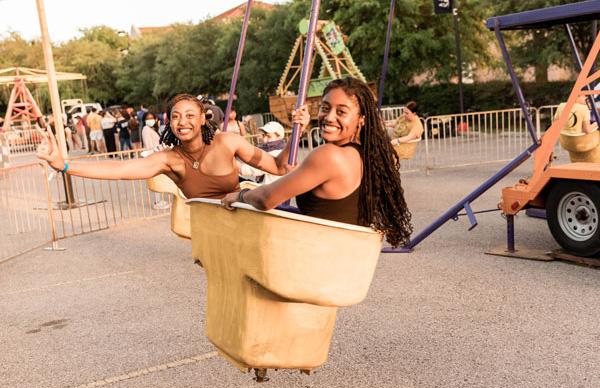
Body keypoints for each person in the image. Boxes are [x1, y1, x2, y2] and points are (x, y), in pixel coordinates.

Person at [222, 77, 412, 248]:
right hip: (344, 261)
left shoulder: (330, 156)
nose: (329, 117)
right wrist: (299, 132)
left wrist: (241, 196)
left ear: (361, 119)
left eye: (341, 111)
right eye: (325, 108)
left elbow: (265, 199)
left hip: (314, 262)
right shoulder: (367, 156)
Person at [36, 93, 305, 200]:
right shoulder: (169, 160)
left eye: (190, 115)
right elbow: (120, 168)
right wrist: (65, 165)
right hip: (212, 239)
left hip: (242, 225)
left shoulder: (228, 142)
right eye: (175, 116)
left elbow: (279, 167)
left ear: (202, 119)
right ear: (169, 122)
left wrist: (297, 129)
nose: (182, 122)